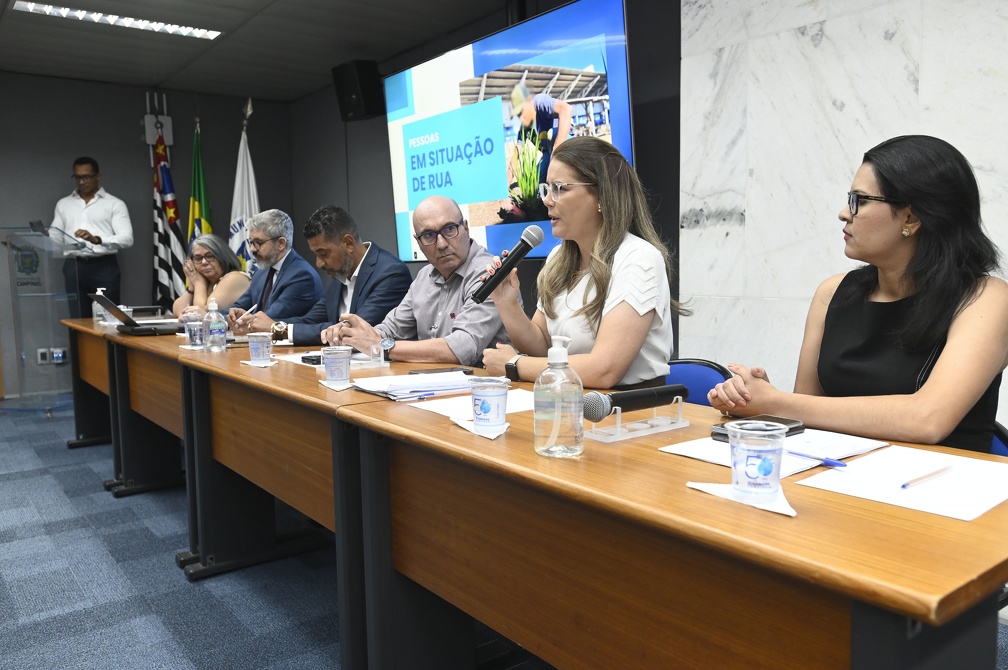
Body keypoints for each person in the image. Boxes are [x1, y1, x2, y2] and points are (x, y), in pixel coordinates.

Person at [707, 135, 1008, 453]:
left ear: (911, 217)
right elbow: (807, 412)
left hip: (942, 489)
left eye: (859, 201)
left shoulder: (985, 298)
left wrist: (780, 404)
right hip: (840, 477)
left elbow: (928, 420)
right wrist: (755, 399)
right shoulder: (832, 292)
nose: (843, 213)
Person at [481, 136, 686, 389]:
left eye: (560, 188)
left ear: (601, 195)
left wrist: (514, 365)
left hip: (630, 412)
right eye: (547, 189)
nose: (546, 200)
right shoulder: (559, 257)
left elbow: (604, 370)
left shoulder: (638, 258)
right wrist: (506, 303)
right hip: (568, 400)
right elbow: (542, 345)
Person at [330, 195, 511, 366]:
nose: (441, 244)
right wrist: (350, 335)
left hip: (485, 389)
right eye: (428, 236)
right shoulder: (425, 276)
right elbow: (390, 329)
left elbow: (462, 347)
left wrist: (382, 346)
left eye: (449, 229)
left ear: (466, 228)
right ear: (418, 242)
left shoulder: (489, 271)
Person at [240, 205, 411, 345]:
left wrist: (278, 330)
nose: (319, 263)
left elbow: (351, 330)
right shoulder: (338, 276)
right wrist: (274, 326)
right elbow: (309, 321)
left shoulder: (390, 274)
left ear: (348, 243)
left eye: (323, 253)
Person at [51, 156, 133, 318]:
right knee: (78, 318)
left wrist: (98, 239)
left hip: (103, 267)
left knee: (109, 318)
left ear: (98, 176)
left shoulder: (114, 204)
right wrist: (42, 239)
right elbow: (56, 234)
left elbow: (127, 238)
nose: (81, 182)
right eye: (77, 177)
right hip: (74, 267)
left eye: (86, 177)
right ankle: (79, 345)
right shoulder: (64, 204)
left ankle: (110, 345)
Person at [226, 209, 322, 330]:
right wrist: (230, 315)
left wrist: (245, 320)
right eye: (251, 242)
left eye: (258, 242)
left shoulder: (302, 276)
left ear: (281, 243)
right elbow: (240, 305)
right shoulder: (262, 271)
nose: (252, 249)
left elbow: (269, 319)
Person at [172, 234, 251, 318]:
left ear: (223, 256)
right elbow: (178, 311)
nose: (204, 262)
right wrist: (192, 288)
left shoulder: (235, 277)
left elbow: (203, 314)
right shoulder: (207, 282)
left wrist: (199, 283)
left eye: (210, 256)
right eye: (198, 258)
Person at [511, 83, 573, 184]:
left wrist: (555, 154)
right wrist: (504, 190)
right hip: (549, 154)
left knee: (551, 133)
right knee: (535, 182)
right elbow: (515, 156)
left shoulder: (539, 101)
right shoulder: (524, 127)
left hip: (565, 144)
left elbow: (566, 109)